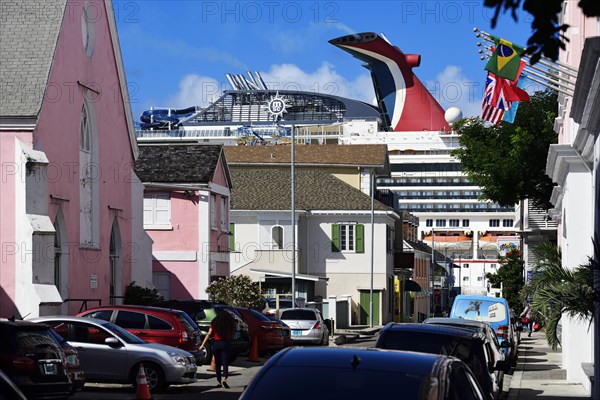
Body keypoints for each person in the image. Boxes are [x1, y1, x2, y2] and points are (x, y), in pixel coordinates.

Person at [199, 309, 237, 388]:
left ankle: (219, 381)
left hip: (216, 343)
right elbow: (232, 334)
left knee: (218, 363)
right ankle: (225, 379)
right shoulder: (228, 323)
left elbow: (209, 333)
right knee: (225, 362)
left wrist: (202, 344)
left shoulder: (215, 322)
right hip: (225, 343)